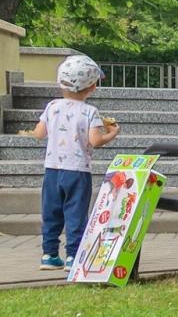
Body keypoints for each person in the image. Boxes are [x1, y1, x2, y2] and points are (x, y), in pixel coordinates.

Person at [24, 55, 119, 270]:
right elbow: (95, 141)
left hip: (52, 170)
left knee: (51, 212)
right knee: (75, 213)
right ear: (92, 87)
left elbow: (39, 134)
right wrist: (112, 133)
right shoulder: (89, 111)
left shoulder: (52, 106)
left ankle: (49, 255)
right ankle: (73, 256)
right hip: (77, 172)